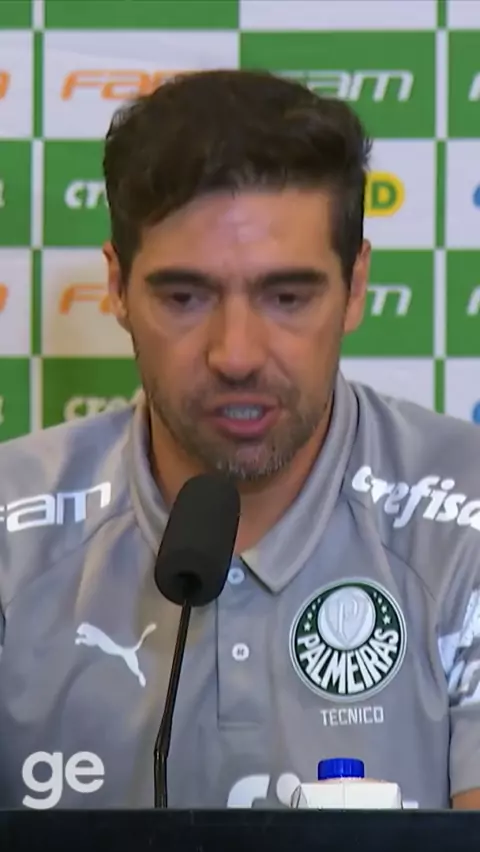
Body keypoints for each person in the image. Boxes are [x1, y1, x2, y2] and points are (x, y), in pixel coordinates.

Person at [0, 69, 480, 812]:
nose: (236, 354)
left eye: (286, 296)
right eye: (184, 297)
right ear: (117, 287)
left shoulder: (466, 516)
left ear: (356, 286)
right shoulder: (12, 530)